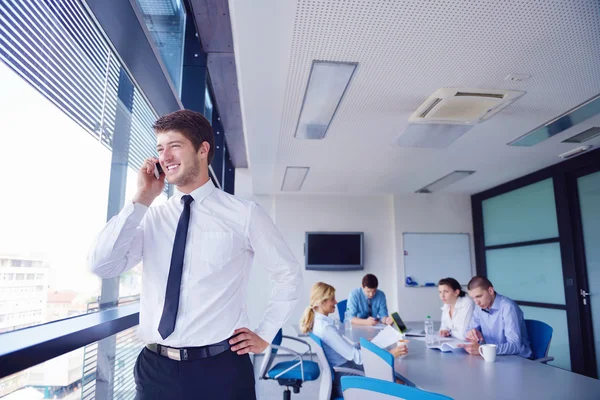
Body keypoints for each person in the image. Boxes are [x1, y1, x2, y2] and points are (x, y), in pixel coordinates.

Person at [88, 110, 303, 399]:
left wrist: (265, 333)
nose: (165, 156)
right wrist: (141, 199)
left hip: (221, 370)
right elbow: (102, 265)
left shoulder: (244, 214)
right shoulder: (152, 217)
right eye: (160, 149)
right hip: (155, 369)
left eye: (175, 146)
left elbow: (287, 274)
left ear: (203, 150)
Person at [300, 282, 407, 399]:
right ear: (322, 302)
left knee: (395, 378)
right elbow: (359, 359)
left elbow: (342, 348)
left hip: (343, 372)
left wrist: (359, 345)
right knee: (400, 385)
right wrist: (391, 354)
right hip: (347, 377)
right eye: (332, 299)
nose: (336, 302)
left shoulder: (319, 322)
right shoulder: (326, 328)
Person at [458, 276, 532, 358]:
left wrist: (482, 350)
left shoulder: (508, 307)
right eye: (473, 298)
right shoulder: (479, 307)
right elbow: (467, 331)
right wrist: (472, 334)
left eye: (479, 296)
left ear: (490, 291)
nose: (477, 302)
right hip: (494, 356)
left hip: (517, 359)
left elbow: (515, 346)